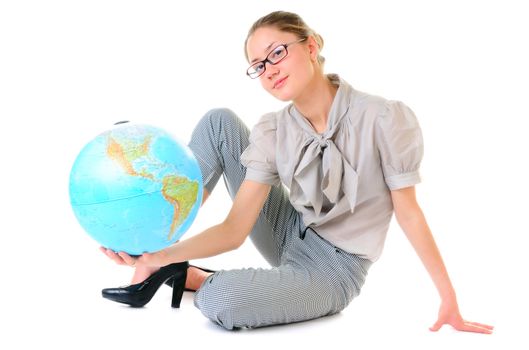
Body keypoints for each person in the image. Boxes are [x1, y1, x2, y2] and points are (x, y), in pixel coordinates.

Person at [100, 10, 493, 333]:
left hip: (334, 269)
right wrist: (157, 251)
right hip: (288, 229)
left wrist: (448, 298)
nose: (268, 70)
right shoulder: (274, 129)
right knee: (219, 122)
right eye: (257, 66)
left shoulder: (382, 118)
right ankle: (151, 244)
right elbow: (235, 230)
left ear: (311, 46)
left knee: (220, 301)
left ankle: (194, 277)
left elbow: (409, 212)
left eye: (276, 53)